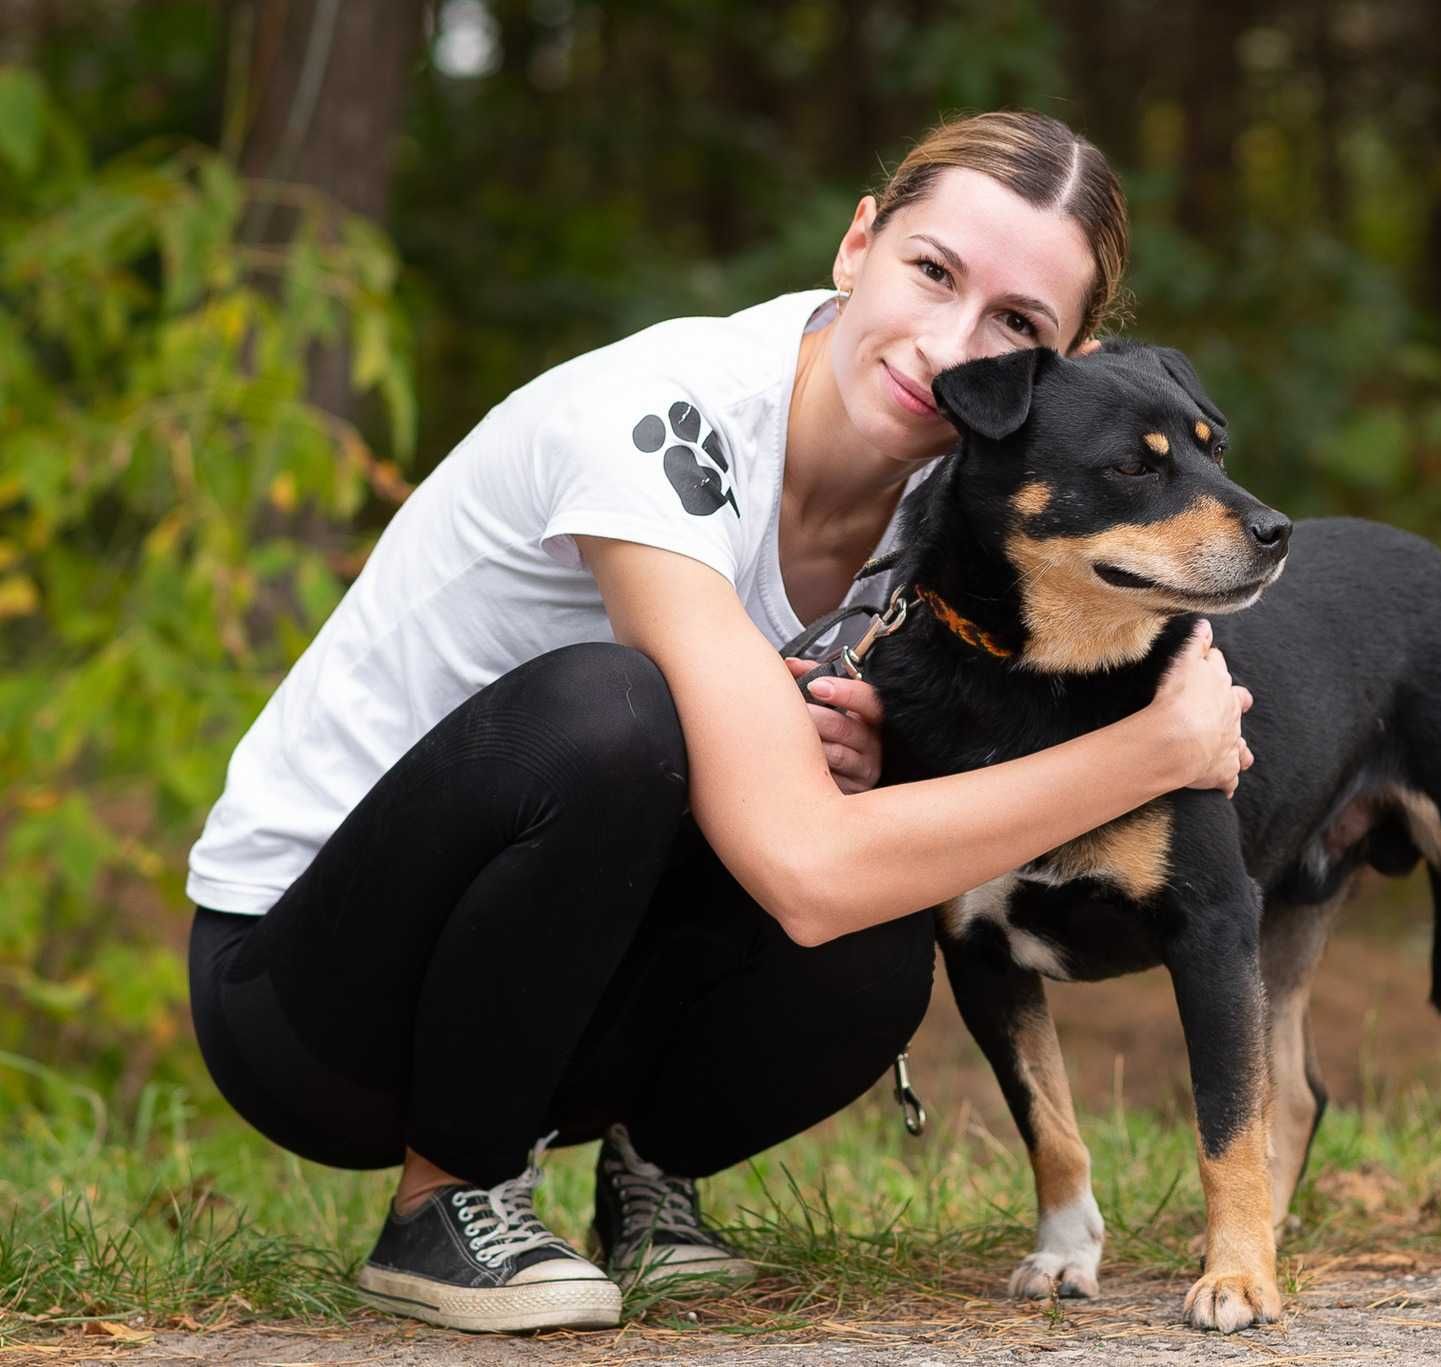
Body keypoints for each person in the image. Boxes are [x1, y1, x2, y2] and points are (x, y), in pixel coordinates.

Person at [182, 109, 1254, 1334]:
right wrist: (1156, 752)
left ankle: (647, 1179)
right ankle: (448, 1199)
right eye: (932, 271)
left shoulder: (969, 484)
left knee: (889, 923)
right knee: (618, 711)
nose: (950, 344)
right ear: (857, 244)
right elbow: (799, 868)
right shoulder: (661, 415)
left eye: (1015, 323)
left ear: (1062, 364)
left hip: (555, 1001)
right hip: (311, 990)